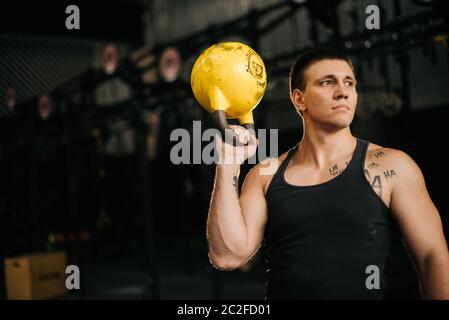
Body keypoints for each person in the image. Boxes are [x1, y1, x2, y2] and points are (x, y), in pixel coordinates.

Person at [206, 47, 449, 299]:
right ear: (299, 99)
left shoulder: (392, 166)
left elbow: (432, 257)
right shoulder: (266, 175)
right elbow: (227, 256)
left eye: (349, 83)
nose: (343, 92)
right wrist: (228, 164)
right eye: (327, 82)